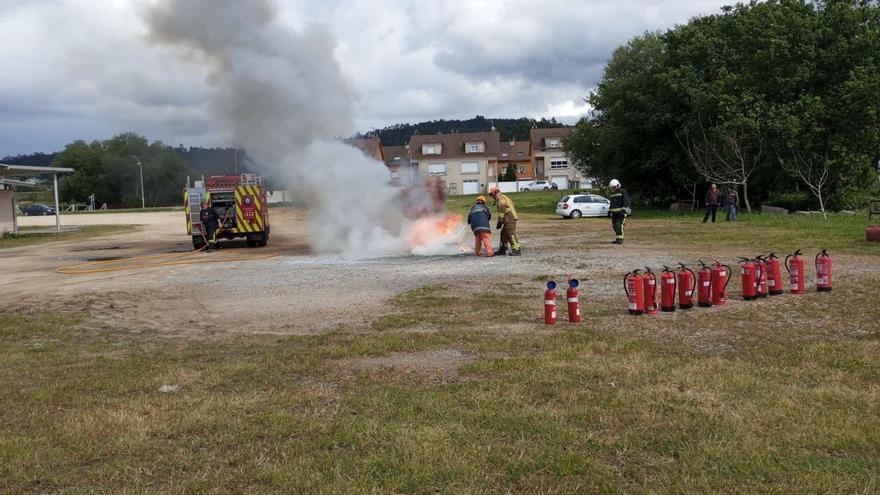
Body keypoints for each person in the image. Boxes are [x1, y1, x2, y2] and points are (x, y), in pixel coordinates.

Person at [488, 187, 521, 256]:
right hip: (507, 218)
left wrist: (500, 220)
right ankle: (502, 249)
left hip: (509, 217)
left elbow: (502, 207)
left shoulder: (499, 197)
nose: (492, 196)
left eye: (491, 194)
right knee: (503, 234)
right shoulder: (501, 197)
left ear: (495, 192)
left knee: (510, 233)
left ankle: (517, 250)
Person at [608, 179, 630, 244]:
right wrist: (609, 211)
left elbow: (626, 201)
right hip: (614, 213)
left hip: (621, 213)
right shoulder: (612, 194)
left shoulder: (623, 191)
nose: (613, 188)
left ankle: (620, 239)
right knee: (614, 225)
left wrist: (624, 210)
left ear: (618, 185)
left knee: (619, 225)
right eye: (612, 187)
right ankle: (618, 238)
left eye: (614, 187)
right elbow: (612, 203)